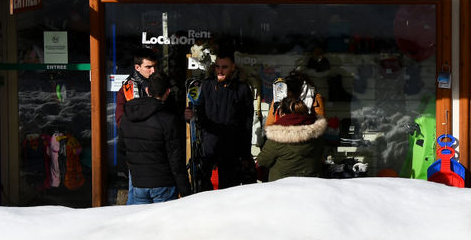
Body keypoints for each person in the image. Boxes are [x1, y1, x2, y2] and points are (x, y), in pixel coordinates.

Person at [118, 73, 191, 204]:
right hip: (163, 183)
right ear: (168, 92)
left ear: (147, 90)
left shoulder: (128, 115)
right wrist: (185, 191)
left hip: (138, 182)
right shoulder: (167, 119)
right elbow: (176, 159)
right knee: (163, 224)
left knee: (140, 223)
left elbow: (122, 149)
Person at [190, 52, 255, 190]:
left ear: (233, 67)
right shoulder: (207, 85)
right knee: (204, 192)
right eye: (217, 66)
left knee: (229, 193)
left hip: (231, 150)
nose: (220, 70)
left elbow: (247, 124)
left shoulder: (242, 89)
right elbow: (199, 113)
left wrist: (245, 155)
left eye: (224, 67)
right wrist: (192, 117)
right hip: (209, 149)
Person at [256, 74, 327, 181]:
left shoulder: (314, 100)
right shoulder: (316, 131)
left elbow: (262, 161)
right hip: (310, 181)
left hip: (282, 180)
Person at [114, 47, 159, 127]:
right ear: (137, 68)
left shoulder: (162, 82)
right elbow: (120, 121)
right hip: (137, 136)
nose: (153, 70)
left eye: (155, 66)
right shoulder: (127, 89)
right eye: (148, 67)